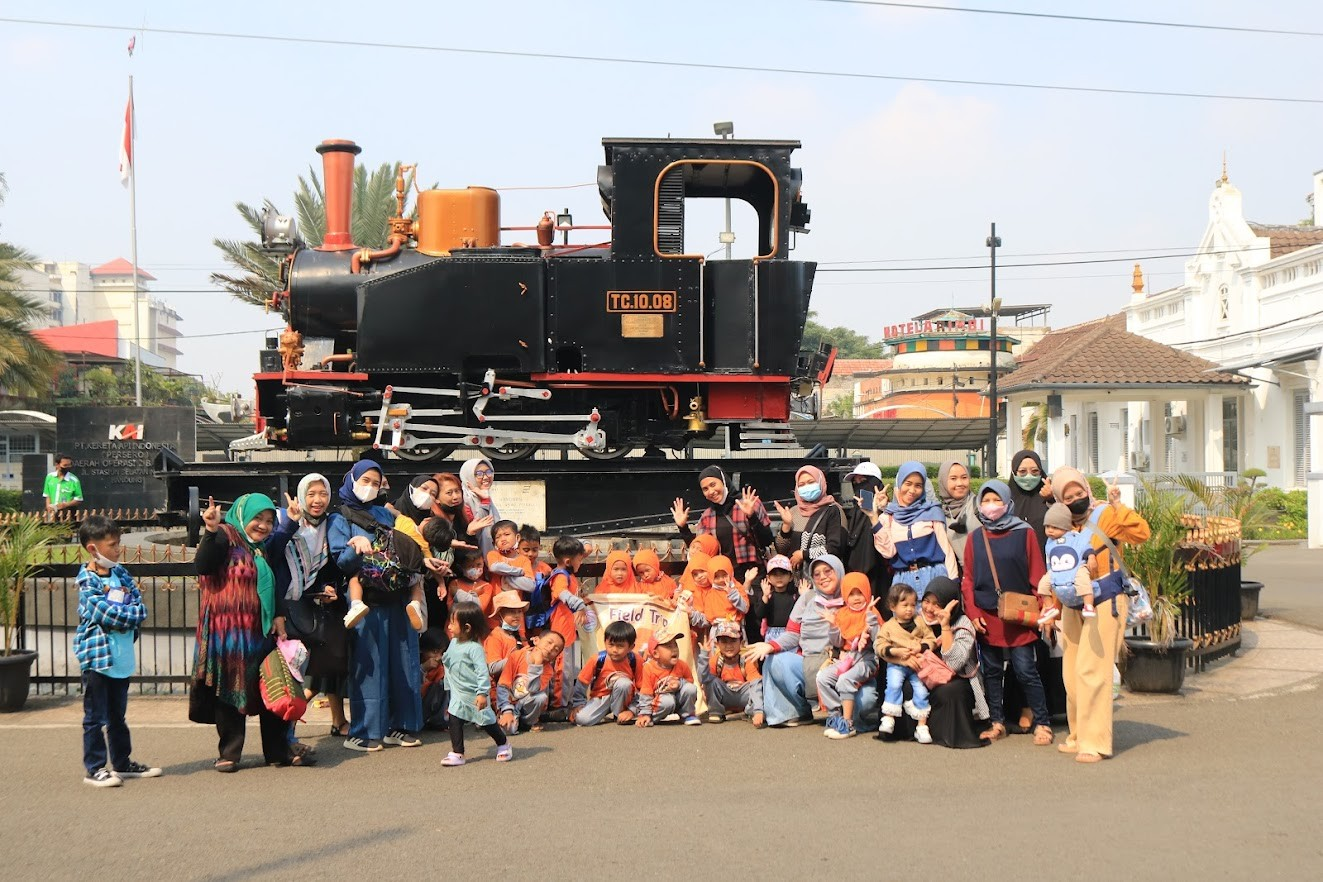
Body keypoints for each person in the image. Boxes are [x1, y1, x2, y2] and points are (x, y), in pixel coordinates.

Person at [191, 492, 308, 771]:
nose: (264, 525)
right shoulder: (225, 536)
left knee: (272, 686)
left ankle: (278, 751)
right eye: (258, 518)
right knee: (230, 691)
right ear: (243, 515)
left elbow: (270, 578)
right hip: (227, 633)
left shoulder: (259, 548)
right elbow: (203, 564)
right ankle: (229, 753)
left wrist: (278, 614)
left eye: (269, 520)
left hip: (259, 631)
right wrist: (210, 529)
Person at [1052, 466, 1150, 764]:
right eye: (1067, 496)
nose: (1075, 499)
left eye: (1079, 492)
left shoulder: (1105, 514)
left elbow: (1141, 534)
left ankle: (1095, 742)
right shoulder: (1061, 524)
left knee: (1092, 669)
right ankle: (1078, 734)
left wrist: (1118, 504)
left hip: (1105, 598)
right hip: (1072, 603)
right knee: (1071, 672)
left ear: (1087, 490)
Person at [329, 462, 423, 753]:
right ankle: (363, 731)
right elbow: (340, 561)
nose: (370, 486)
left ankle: (400, 726)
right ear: (353, 479)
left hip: (396, 593)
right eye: (365, 480)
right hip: (367, 598)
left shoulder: (385, 513)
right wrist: (354, 546)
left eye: (375, 481)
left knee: (403, 662)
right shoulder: (339, 516)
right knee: (369, 665)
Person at [959, 480, 1052, 746]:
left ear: (1007, 501)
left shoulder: (1025, 532)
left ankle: (1042, 722)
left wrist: (1042, 607)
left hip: (1018, 616)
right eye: (986, 501)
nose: (991, 506)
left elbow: (1037, 573)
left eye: (996, 500)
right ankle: (996, 722)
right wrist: (973, 611)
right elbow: (968, 578)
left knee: (1026, 670)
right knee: (991, 672)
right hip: (987, 616)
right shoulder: (976, 536)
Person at [74, 515, 160, 787]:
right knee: (95, 718)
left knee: (117, 717)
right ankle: (95, 768)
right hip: (98, 660)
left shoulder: (121, 573)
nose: (117, 549)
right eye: (112, 544)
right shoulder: (87, 581)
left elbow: (140, 608)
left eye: (118, 543)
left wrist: (129, 613)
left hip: (120, 658)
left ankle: (122, 763)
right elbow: (106, 614)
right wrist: (129, 614)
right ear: (93, 548)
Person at [272, 473, 349, 740]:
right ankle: (287, 727)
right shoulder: (285, 519)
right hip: (283, 604)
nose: (318, 500)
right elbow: (271, 554)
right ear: (302, 495)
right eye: (312, 494)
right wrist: (289, 525)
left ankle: (338, 721)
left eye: (323, 494)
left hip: (311, 606)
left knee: (330, 660)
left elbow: (331, 568)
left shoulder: (330, 525)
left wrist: (329, 588)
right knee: (292, 666)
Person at [671, 465, 774, 642]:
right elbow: (702, 553)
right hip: (724, 579)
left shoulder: (748, 503)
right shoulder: (707, 516)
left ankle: (757, 666)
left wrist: (751, 517)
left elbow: (766, 539)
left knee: (755, 622)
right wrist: (683, 529)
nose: (711, 491)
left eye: (713, 484)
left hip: (753, 573)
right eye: (705, 489)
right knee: (729, 625)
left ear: (724, 481)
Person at [745, 554, 845, 729]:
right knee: (774, 660)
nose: (822, 577)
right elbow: (792, 634)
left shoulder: (852, 595)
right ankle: (795, 711)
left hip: (841, 662)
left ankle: (846, 712)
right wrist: (770, 645)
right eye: (817, 574)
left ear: (838, 571)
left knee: (864, 706)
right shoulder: (807, 599)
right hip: (808, 661)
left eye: (827, 571)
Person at [867, 462, 958, 600]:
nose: (912, 490)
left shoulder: (932, 511)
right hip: (904, 582)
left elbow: (947, 550)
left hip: (935, 577)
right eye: (907, 483)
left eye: (918, 485)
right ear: (899, 484)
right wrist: (874, 518)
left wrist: (953, 583)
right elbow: (888, 552)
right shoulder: (889, 516)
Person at [918, 577, 988, 749]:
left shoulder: (963, 624)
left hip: (959, 678)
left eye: (937, 603)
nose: (929, 608)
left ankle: (947, 734)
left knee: (950, 692)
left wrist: (945, 626)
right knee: (906, 686)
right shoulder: (916, 619)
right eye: (926, 601)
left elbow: (954, 663)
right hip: (926, 675)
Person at [441, 600, 512, 766]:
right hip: (459, 693)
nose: (449, 627)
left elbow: (482, 672)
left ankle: (503, 743)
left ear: (467, 628)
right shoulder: (454, 642)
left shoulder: (475, 649)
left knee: (486, 722)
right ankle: (458, 752)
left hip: (474, 693)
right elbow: (450, 658)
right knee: (454, 719)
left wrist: (482, 693)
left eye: (453, 623)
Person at [819, 572, 881, 740]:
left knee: (844, 680)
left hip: (867, 659)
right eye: (851, 593)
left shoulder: (872, 611)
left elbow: (879, 641)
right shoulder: (842, 613)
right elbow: (838, 642)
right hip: (848, 658)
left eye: (859, 592)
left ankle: (847, 724)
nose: (856, 598)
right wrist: (833, 625)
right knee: (822, 677)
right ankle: (835, 716)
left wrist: (871, 619)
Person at [874, 583, 936, 743]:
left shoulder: (919, 621)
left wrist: (921, 646)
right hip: (897, 664)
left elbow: (931, 639)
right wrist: (895, 651)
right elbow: (879, 645)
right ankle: (888, 718)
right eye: (905, 605)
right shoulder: (888, 626)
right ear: (893, 606)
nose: (909, 609)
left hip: (917, 664)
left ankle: (922, 726)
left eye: (913, 605)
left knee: (922, 691)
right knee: (894, 685)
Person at [771, 464, 848, 576]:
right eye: (801, 484)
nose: (806, 487)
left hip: (821, 580)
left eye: (811, 482)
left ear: (821, 483)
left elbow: (836, 548)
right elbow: (781, 550)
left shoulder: (833, 511)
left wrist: (803, 555)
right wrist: (786, 525)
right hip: (795, 582)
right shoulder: (794, 511)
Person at [571, 620, 640, 727]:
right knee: (581, 719)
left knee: (623, 684)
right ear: (605, 642)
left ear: (631, 647)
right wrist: (578, 704)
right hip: (601, 698)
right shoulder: (597, 659)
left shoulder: (635, 659)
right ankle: (607, 712)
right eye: (611, 645)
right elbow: (582, 682)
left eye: (620, 646)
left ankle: (619, 714)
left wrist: (632, 710)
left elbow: (642, 688)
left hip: (624, 697)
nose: (614, 650)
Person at [840, 462, 892, 603]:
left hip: (879, 579)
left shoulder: (887, 513)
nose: (859, 486)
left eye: (863, 481)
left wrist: (883, 508)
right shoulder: (853, 513)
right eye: (856, 482)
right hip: (855, 583)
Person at [698, 618, 764, 727]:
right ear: (717, 644)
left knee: (758, 683)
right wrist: (704, 656)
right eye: (724, 641)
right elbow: (703, 679)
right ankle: (716, 711)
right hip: (725, 695)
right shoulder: (716, 660)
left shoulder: (746, 659)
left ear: (741, 642)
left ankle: (750, 711)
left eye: (733, 641)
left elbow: (756, 683)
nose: (729, 646)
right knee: (711, 681)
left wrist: (758, 711)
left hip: (743, 696)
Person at [1037, 502, 1097, 621]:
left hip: (1076, 568)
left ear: (1065, 527)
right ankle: (1049, 607)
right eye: (1047, 527)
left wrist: (1091, 557)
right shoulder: (1049, 542)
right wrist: (1050, 573)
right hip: (1057, 570)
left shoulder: (1075, 537)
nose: (1050, 531)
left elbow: (1086, 547)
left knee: (1084, 581)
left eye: (1054, 527)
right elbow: (1049, 560)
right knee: (1042, 585)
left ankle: (1088, 605)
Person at [497, 629, 565, 734]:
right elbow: (503, 685)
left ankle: (527, 722)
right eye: (549, 642)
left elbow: (533, 690)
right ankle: (511, 719)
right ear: (536, 640)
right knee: (507, 730)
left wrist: (537, 665)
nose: (551, 648)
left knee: (541, 697)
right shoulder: (516, 656)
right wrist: (507, 711)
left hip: (525, 703)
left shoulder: (548, 670)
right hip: (509, 703)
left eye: (556, 649)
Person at [635, 626, 700, 727]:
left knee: (690, 688)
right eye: (669, 646)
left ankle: (687, 714)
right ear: (656, 654)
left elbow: (689, 681)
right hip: (661, 701)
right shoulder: (648, 668)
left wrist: (680, 683)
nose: (674, 649)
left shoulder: (682, 665)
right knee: (667, 701)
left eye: (675, 645)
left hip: (677, 698)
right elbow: (646, 693)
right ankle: (651, 717)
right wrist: (645, 713)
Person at [935, 460, 978, 570]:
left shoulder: (979, 505)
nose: (960, 483)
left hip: (987, 573)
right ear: (943, 481)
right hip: (961, 578)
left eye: (964, 477)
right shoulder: (940, 513)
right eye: (953, 479)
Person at [1007, 450, 1053, 548]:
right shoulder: (1006, 500)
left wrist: (1051, 499)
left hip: (1045, 558)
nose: (1029, 476)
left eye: (1035, 471)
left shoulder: (1051, 495)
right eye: (1022, 472)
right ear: (1014, 472)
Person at [458, 458, 500, 556]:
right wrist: (485, 501)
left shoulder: (484, 496)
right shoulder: (464, 500)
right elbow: (478, 527)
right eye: (479, 473)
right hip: (474, 557)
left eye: (489, 472)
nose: (485, 477)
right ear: (468, 476)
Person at [755, 554, 798, 643]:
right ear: (768, 578)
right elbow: (759, 614)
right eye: (775, 574)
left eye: (783, 574)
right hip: (772, 634)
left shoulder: (794, 595)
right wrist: (765, 597)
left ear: (790, 577)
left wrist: (802, 596)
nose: (779, 577)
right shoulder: (768, 595)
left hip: (791, 632)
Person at [419, 629, 448, 730]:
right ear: (422, 649)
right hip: (416, 706)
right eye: (435, 652)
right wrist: (423, 668)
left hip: (429, 707)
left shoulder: (439, 668)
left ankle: (438, 720)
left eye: (442, 653)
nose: (438, 657)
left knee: (444, 683)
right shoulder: (414, 663)